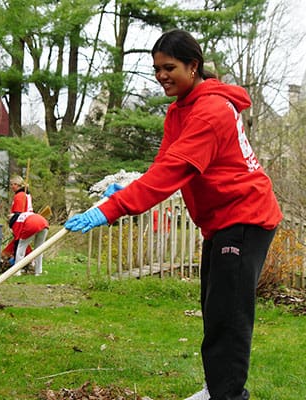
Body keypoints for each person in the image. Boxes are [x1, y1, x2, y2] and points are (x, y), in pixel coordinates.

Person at [65, 29, 282, 400]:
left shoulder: (211, 111)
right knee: (215, 311)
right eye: (156, 69)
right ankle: (218, 389)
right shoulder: (180, 110)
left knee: (228, 317)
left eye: (169, 68)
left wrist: (112, 209)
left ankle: (228, 395)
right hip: (221, 221)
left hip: (244, 217)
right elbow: (163, 165)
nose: (162, 76)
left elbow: (174, 172)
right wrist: (130, 185)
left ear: (193, 66)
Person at [8, 211, 49, 276]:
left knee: (21, 248)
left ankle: (17, 271)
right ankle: (38, 271)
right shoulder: (24, 214)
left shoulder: (15, 223)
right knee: (39, 249)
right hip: (44, 223)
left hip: (31, 225)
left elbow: (17, 240)